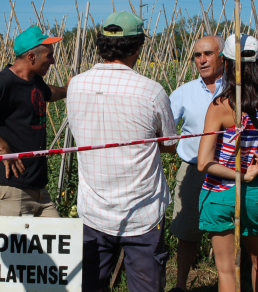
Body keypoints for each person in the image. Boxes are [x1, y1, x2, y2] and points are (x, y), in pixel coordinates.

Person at [66, 11, 177, 292]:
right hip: (142, 212)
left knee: (91, 285)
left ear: (101, 43)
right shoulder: (151, 91)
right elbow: (169, 144)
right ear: (138, 47)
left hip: (93, 211)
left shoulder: (76, 85)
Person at [197, 34, 258, 292]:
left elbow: (204, 163)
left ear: (226, 64)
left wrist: (240, 176)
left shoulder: (220, 105)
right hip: (255, 193)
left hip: (219, 193)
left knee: (226, 269)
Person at [0, 26, 67, 217]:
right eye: (49, 56)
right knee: (11, 247)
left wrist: (68, 89)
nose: (53, 61)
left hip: (38, 189)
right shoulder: (5, 82)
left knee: (59, 243)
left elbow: (49, 94)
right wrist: (2, 146)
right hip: (10, 188)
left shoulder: (33, 80)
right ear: (32, 57)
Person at [167, 35, 225, 292]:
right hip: (192, 171)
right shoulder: (184, 92)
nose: (201, 60)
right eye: (197, 55)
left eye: (208, 54)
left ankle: (230, 282)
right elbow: (163, 126)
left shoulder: (237, 89)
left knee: (228, 231)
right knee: (187, 233)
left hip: (228, 172)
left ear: (222, 56)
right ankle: (180, 286)